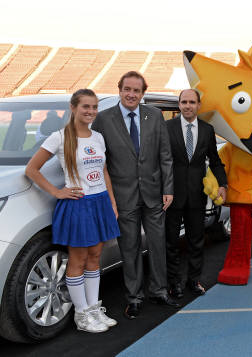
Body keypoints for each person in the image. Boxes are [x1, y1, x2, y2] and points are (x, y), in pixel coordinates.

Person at [25, 89, 119, 332]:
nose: (90, 111)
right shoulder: (59, 137)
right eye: (85, 106)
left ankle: (94, 309)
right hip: (78, 204)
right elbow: (32, 169)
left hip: (100, 202)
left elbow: (105, 172)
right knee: (78, 259)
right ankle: (81, 314)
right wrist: (57, 192)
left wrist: (112, 202)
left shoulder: (98, 137)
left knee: (95, 257)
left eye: (94, 107)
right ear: (74, 108)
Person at [91, 71, 179, 320]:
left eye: (136, 91)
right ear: (119, 90)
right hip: (123, 197)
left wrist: (168, 188)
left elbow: (165, 155)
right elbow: (100, 161)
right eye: (127, 89)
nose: (131, 94)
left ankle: (159, 291)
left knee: (157, 246)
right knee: (129, 249)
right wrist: (108, 197)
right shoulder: (104, 119)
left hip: (154, 195)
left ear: (143, 94)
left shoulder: (154, 115)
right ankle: (134, 298)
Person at [165, 89, 227, 298]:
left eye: (192, 102)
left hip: (197, 197)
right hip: (172, 196)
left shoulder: (207, 130)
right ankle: (174, 283)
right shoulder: (167, 128)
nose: (188, 106)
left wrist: (222, 184)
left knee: (196, 241)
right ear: (179, 105)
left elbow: (215, 161)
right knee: (171, 242)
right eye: (184, 102)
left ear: (199, 105)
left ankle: (194, 280)